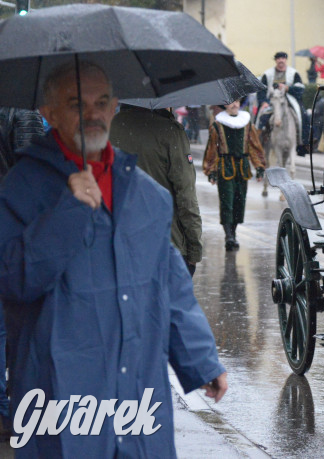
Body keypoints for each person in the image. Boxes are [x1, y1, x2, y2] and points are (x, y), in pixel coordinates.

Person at [0, 62, 227, 457]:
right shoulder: (22, 188)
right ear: (49, 113)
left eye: (101, 101)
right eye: (76, 103)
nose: (92, 113)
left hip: (138, 397)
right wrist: (68, 213)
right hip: (60, 400)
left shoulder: (146, 194)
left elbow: (170, 286)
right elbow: (13, 280)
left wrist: (201, 360)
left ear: (116, 106)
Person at [110, 103, 204, 275]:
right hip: (165, 243)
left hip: (119, 242)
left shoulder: (109, 128)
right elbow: (186, 194)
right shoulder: (171, 132)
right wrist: (194, 248)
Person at [0, 106, 45, 438]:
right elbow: (35, 172)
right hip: (12, 226)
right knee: (16, 323)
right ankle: (13, 411)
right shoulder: (19, 105)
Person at [203, 100, 266, 250]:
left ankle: (234, 233)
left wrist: (259, 167)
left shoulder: (247, 123)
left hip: (242, 168)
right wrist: (211, 171)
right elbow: (212, 148)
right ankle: (229, 236)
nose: (235, 105)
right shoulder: (217, 125)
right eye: (231, 102)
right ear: (224, 105)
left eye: (237, 101)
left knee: (239, 202)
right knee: (227, 202)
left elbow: (254, 146)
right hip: (225, 167)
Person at [258, 51, 307, 152]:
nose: (281, 60)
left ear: (286, 60)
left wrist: (288, 88)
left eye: (283, 58)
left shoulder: (294, 73)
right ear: (276, 61)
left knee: (303, 115)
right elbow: (261, 90)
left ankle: (303, 143)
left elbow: (300, 88)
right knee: (261, 118)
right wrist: (264, 102)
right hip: (272, 101)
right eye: (278, 58)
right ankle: (259, 141)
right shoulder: (267, 74)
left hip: (289, 101)